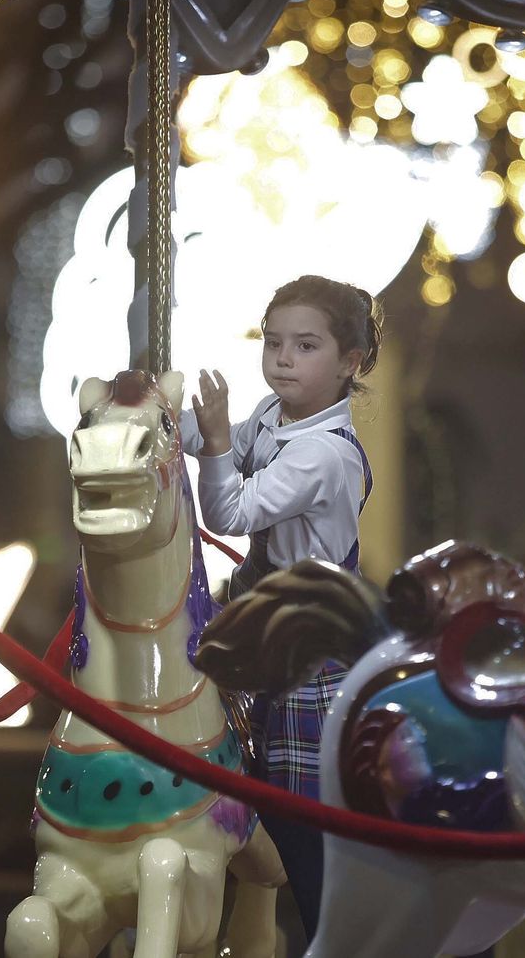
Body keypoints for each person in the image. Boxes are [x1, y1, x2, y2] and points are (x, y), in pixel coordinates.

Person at [178, 274, 382, 942]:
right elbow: (220, 441)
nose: (284, 358)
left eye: (305, 345)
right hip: (263, 614)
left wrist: (209, 443)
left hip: (306, 641)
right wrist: (153, 414)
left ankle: (336, 931)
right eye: (274, 343)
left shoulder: (323, 454)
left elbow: (228, 509)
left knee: (303, 830)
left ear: (350, 362)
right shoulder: (274, 414)